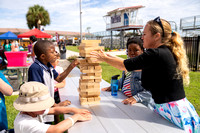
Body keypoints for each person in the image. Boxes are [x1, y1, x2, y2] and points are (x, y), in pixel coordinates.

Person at [91, 16, 200, 132]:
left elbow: (124, 65)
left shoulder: (156, 54)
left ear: (156, 36)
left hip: (173, 110)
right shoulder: (162, 53)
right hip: (171, 107)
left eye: (144, 34)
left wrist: (103, 58)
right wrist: (107, 56)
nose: (142, 38)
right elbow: (132, 64)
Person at [28, 40, 79, 123]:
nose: (56, 53)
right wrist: (56, 105)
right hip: (39, 110)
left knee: (48, 124)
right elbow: (38, 93)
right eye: (52, 52)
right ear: (43, 56)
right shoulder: (35, 69)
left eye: (55, 51)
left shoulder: (48, 65)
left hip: (48, 107)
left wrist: (72, 65)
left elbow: (59, 78)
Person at [14, 81, 92, 133]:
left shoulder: (33, 112)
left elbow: (54, 110)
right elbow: (56, 129)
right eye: (42, 105)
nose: (45, 107)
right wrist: (76, 117)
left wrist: (73, 109)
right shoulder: (25, 123)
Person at [102, 37, 154, 109]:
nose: (132, 53)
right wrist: (114, 86)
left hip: (141, 105)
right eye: (129, 50)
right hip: (127, 102)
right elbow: (126, 79)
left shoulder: (145, 68)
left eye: (136, 50)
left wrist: (136, 98)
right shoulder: (128, 65)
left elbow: (152, 90)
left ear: (142, 51)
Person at [51, 52, 71, 124]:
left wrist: (54, 86)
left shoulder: (59, 69)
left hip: (55, 93)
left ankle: (57, 123)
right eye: (54, 60)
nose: (57, 62)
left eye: (57, 60)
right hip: (48, 94)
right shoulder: (47, 69)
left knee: (56, 110)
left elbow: (63, 83)